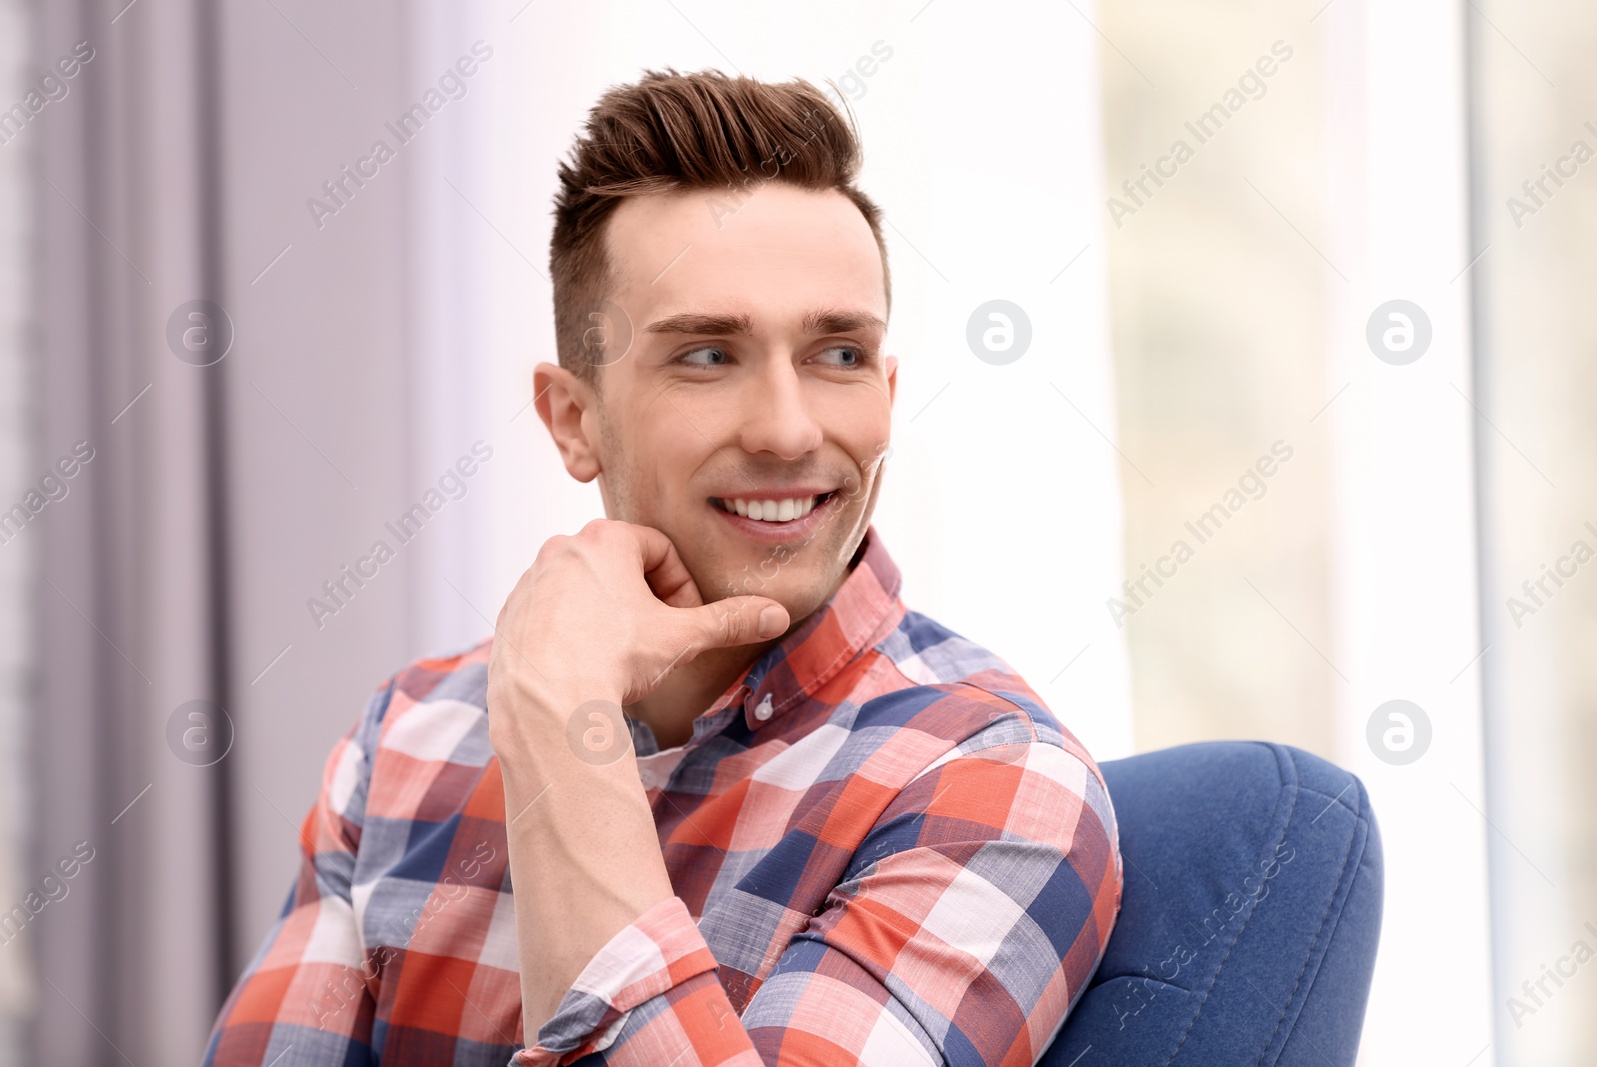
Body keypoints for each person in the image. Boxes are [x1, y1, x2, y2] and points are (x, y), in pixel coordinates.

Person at [202, 68, 1122, 1067]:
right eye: (706, 356)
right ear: (573, 419)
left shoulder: (993, 780)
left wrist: (566, 737)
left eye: (839, 354)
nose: (786, 427)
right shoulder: (408, 735)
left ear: (889, 392)